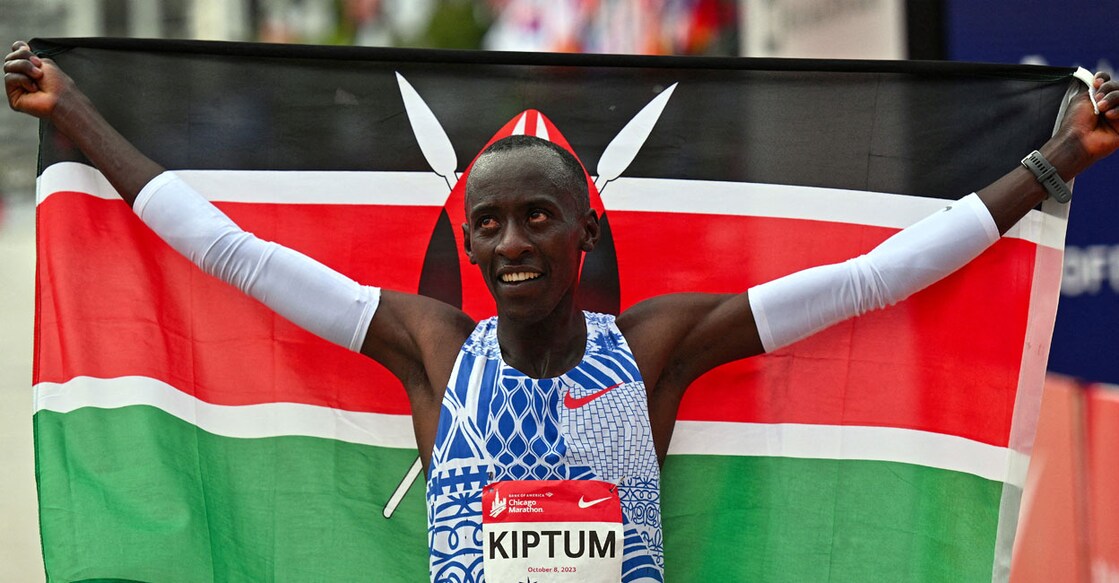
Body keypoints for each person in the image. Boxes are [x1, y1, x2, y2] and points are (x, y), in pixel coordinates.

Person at [6, 40, 1119, 582]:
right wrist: (79, 119)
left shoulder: (657, 347)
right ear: (467, 244)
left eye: (538, 218)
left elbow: (876, 276)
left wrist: (1056, 159)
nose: (511, 244)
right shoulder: (431, 346)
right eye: (488, 227)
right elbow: (230, 253)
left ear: (586, 231)